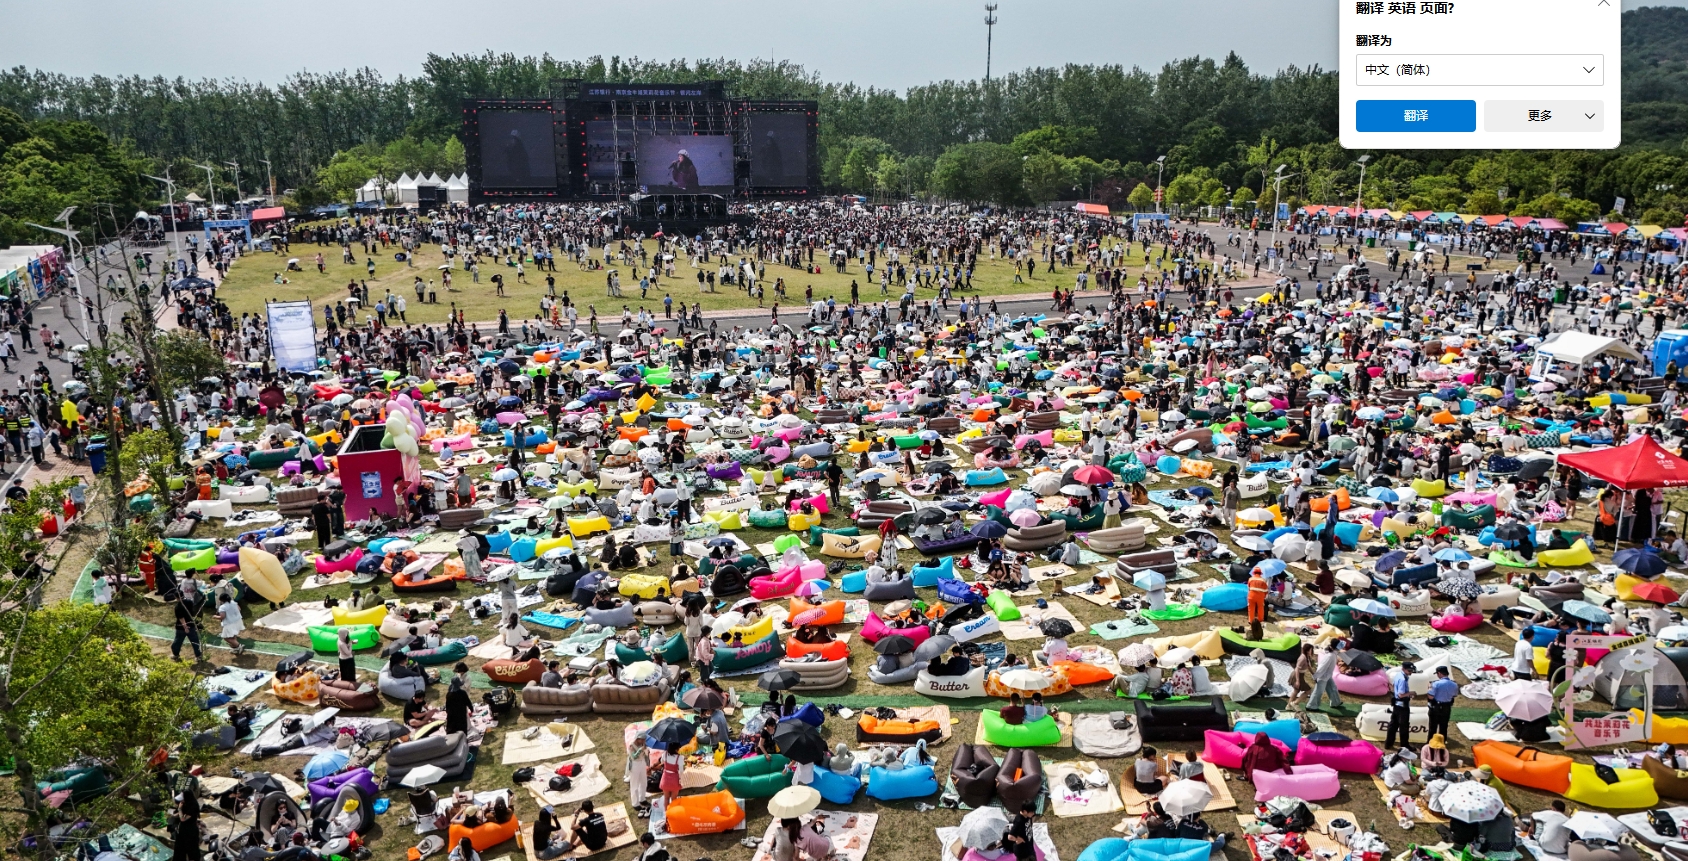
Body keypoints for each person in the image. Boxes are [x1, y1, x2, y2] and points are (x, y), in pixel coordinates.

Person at [1386, 661, 1416, 750]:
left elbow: (1393, 686)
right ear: (1403, 669)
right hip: (1402, 706)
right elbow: (1401, 694)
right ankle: (1404, 745)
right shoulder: (1402, 679)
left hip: (1397, 704)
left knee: (1393, 725)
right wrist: (1411, 693)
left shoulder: (1398, 675)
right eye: (1409, 670)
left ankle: (1388, 744)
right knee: (1404, 726)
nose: (1411, 672)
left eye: (1412, 670)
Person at [1426, 666, 1459, 741]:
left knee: (1433, 727)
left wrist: (1429, 688)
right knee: (1443, 727)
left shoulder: (1435, 684)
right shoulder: (1454, 684)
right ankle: (1442, 743)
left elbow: (1430, 696)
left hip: (1436, 707)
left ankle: (1431, 743)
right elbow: (1454, 695)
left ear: (1439, 673)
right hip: (1447, 707)